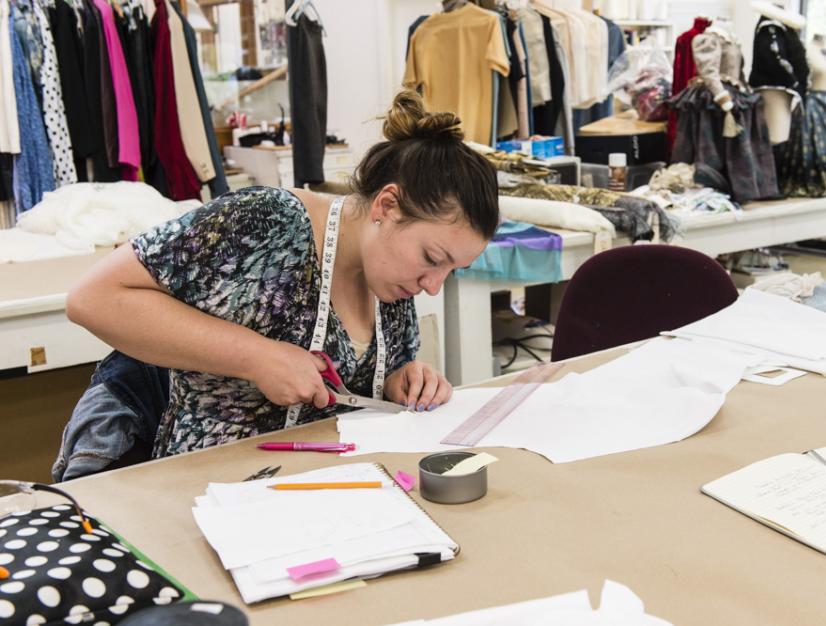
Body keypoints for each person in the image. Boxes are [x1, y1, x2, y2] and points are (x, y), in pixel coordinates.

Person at [66, 90, 500, 459]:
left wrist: (402, 380)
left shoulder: (391, 276)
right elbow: (92, 299)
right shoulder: (266, 222)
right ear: (387, 207)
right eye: (432, 257)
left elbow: (368, 376)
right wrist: (257, 357)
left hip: (328, 489)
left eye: (451, 270)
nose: (433, 285)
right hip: (210, 486)